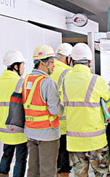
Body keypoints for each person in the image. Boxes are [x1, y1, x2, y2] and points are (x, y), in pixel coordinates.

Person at [61, 43, 110, 177]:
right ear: (89, 61)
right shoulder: (97, 80)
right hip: (96, 141)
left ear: (72, 61)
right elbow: (109, 101)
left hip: (74, 142)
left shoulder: (65, 81)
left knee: (79, 175)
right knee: (101, 174)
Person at [23, 45, 64, 177]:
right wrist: (62, 105)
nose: (53, 66)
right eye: (51, 62)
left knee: (33, 170)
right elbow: (55, 109)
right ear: (42, 63)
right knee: (48, 170)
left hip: (31, 132)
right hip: (47, 134)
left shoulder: (26, 80)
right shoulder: (48, 82)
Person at [0, 50, 28, 177]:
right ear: (16, 66)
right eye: (23, 64)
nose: (24, 68)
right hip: (18, 127)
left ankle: (2, 174)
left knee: (6, 154)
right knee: (20, 158)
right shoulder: (21, 82)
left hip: (3, 126)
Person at [50, 43, 73, 177]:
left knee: (54, 156)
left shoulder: (49, 71)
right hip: (64, 124)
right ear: (68, 58)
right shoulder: (67, 73)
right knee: (64, 158)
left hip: (49, 122)